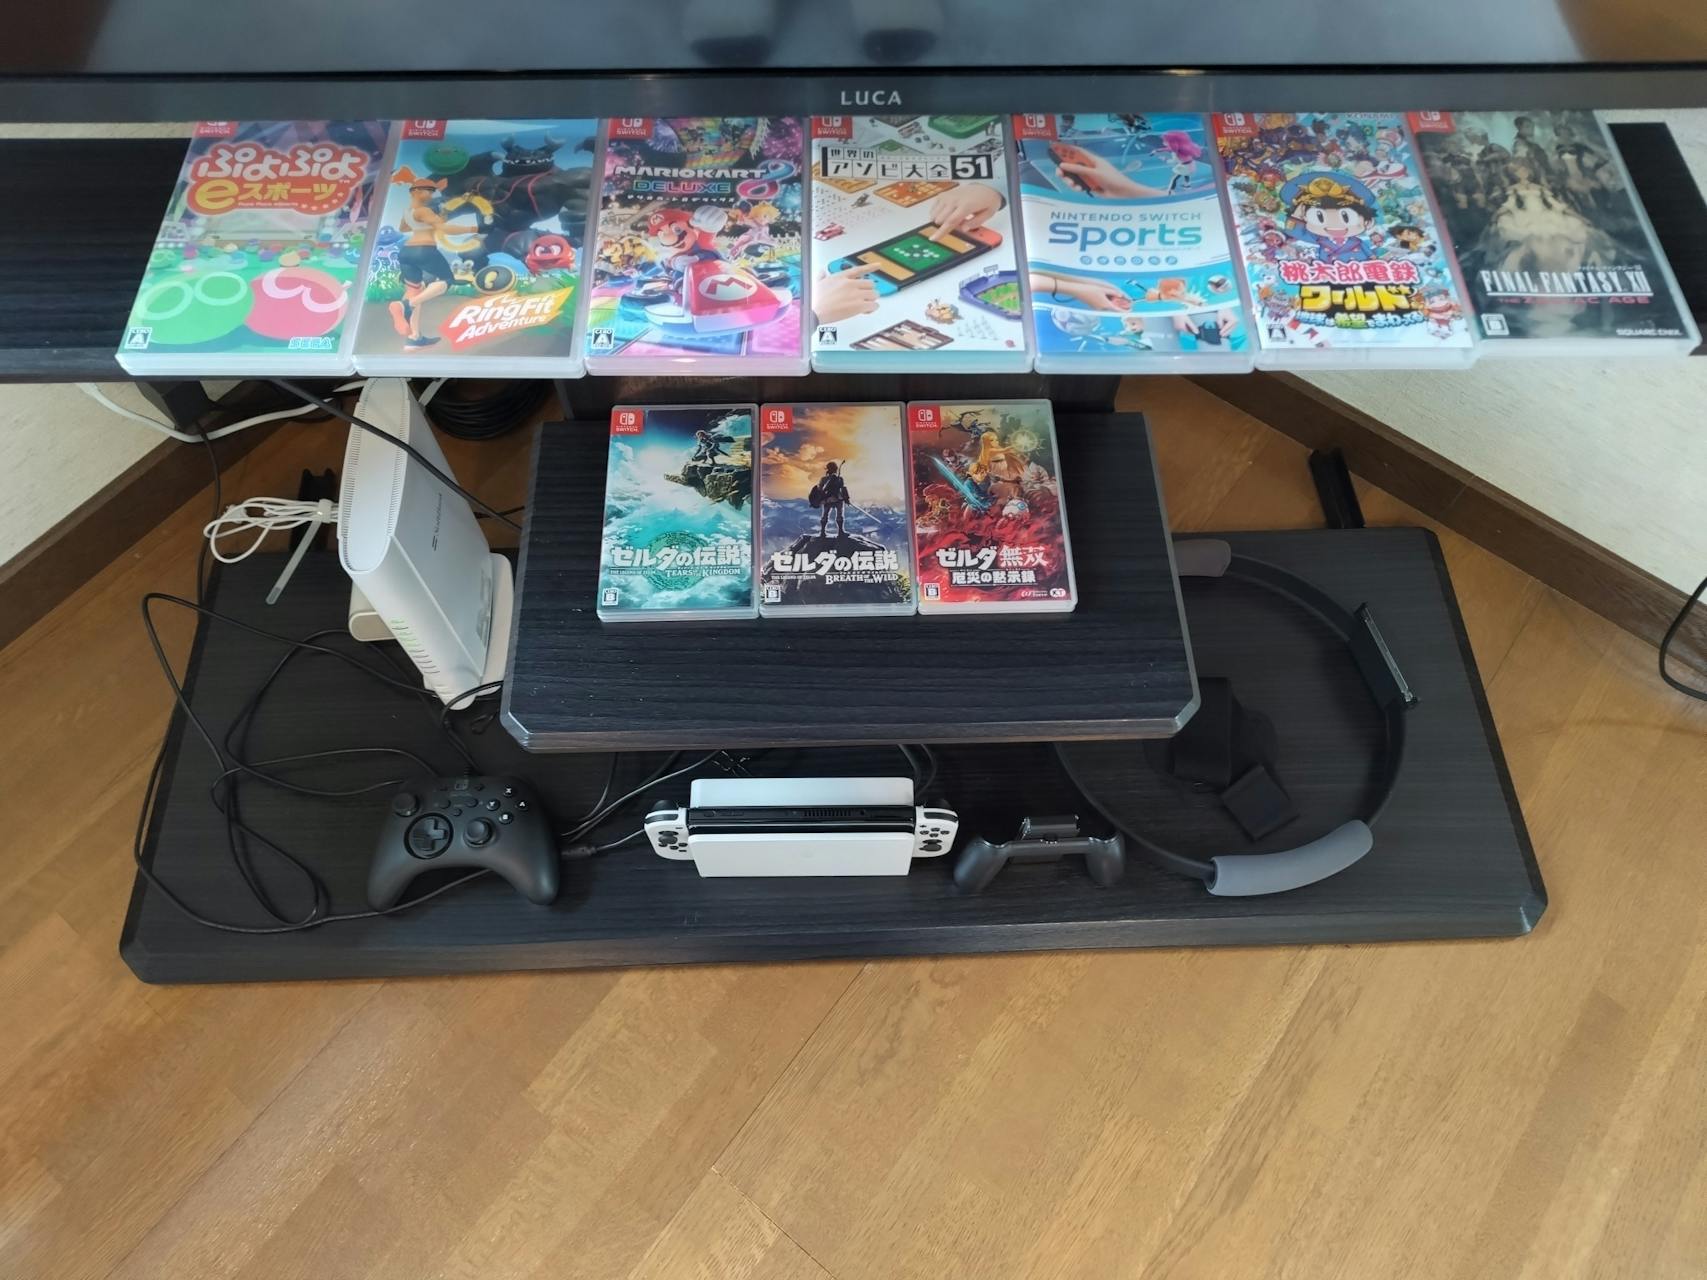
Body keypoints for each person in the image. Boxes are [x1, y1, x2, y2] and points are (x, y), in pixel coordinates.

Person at [812, 462, 850, 539]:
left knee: (825, 515)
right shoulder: (839, 478)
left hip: (827, 500)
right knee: (839, 515)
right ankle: (840, 532)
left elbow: (820, 489)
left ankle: (822, 532)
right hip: (837, 499)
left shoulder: (823, 479)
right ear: (835, 469)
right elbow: (843, 488)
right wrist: (846, 498)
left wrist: (822, 498)